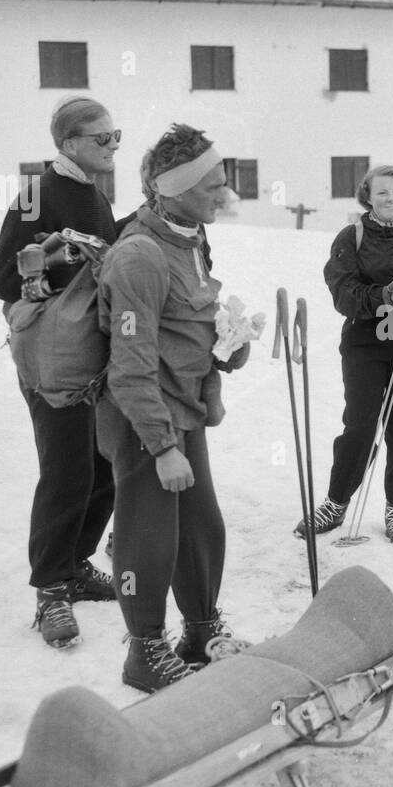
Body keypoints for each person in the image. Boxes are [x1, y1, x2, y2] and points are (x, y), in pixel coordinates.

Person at [96, 123, 249, 692]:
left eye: (224, 182)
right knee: (148, 537)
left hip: (184, 410)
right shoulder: (140, 255)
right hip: (145, 419)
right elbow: (129, 364)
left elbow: (189, 321)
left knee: (201, 528)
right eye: (212, 186)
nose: (224, 195)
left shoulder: (190, 238)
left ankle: (200, 632)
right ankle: (145, 652)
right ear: (174, 189)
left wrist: (229, 344)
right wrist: (161, 448)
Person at [0, 95, 120, 649]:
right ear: (68, 144)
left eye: (116, 136)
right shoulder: (37, 196)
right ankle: (50, 589)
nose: (112, 147)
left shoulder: (94, 192)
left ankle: (76, 564)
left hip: (92, 352)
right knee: (67, 472)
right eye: (101, 138)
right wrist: (56, 260)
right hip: (50, 357)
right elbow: (3, 280)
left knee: (104, 467)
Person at [296, 165, 393, 548]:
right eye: (382, 192)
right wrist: (386, 295)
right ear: (368, 196)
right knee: (360, 425)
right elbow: (342, 292)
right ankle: (336, 501)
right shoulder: (351, 236)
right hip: (365, 338)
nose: (391, 198)